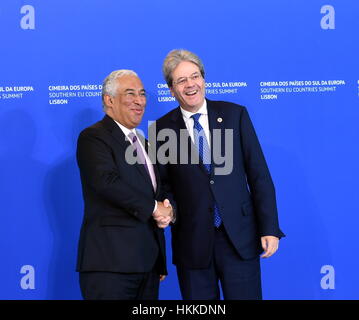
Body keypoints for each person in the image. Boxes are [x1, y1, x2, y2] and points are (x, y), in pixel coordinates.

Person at [153, 49, 285, 300]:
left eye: (195, 76)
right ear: (171, 89)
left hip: (239, 239)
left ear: (203, 79)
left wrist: (270, 228)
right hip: (192, 243)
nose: (191, 84)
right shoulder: (159, 129)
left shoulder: (236, 115)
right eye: (181, 80)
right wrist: (169, 208)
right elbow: (161, 186)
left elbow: (259, 174)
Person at [76, 69, 173, 300]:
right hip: (110, 265)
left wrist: (168, 209)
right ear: (109, 100)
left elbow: (161, 191)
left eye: (142, 94)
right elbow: (107, 183)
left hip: (148, 266)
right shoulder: (93, 137)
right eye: (130, 94)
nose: (139, 101)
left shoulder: (146, 144)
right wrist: (154, 208)